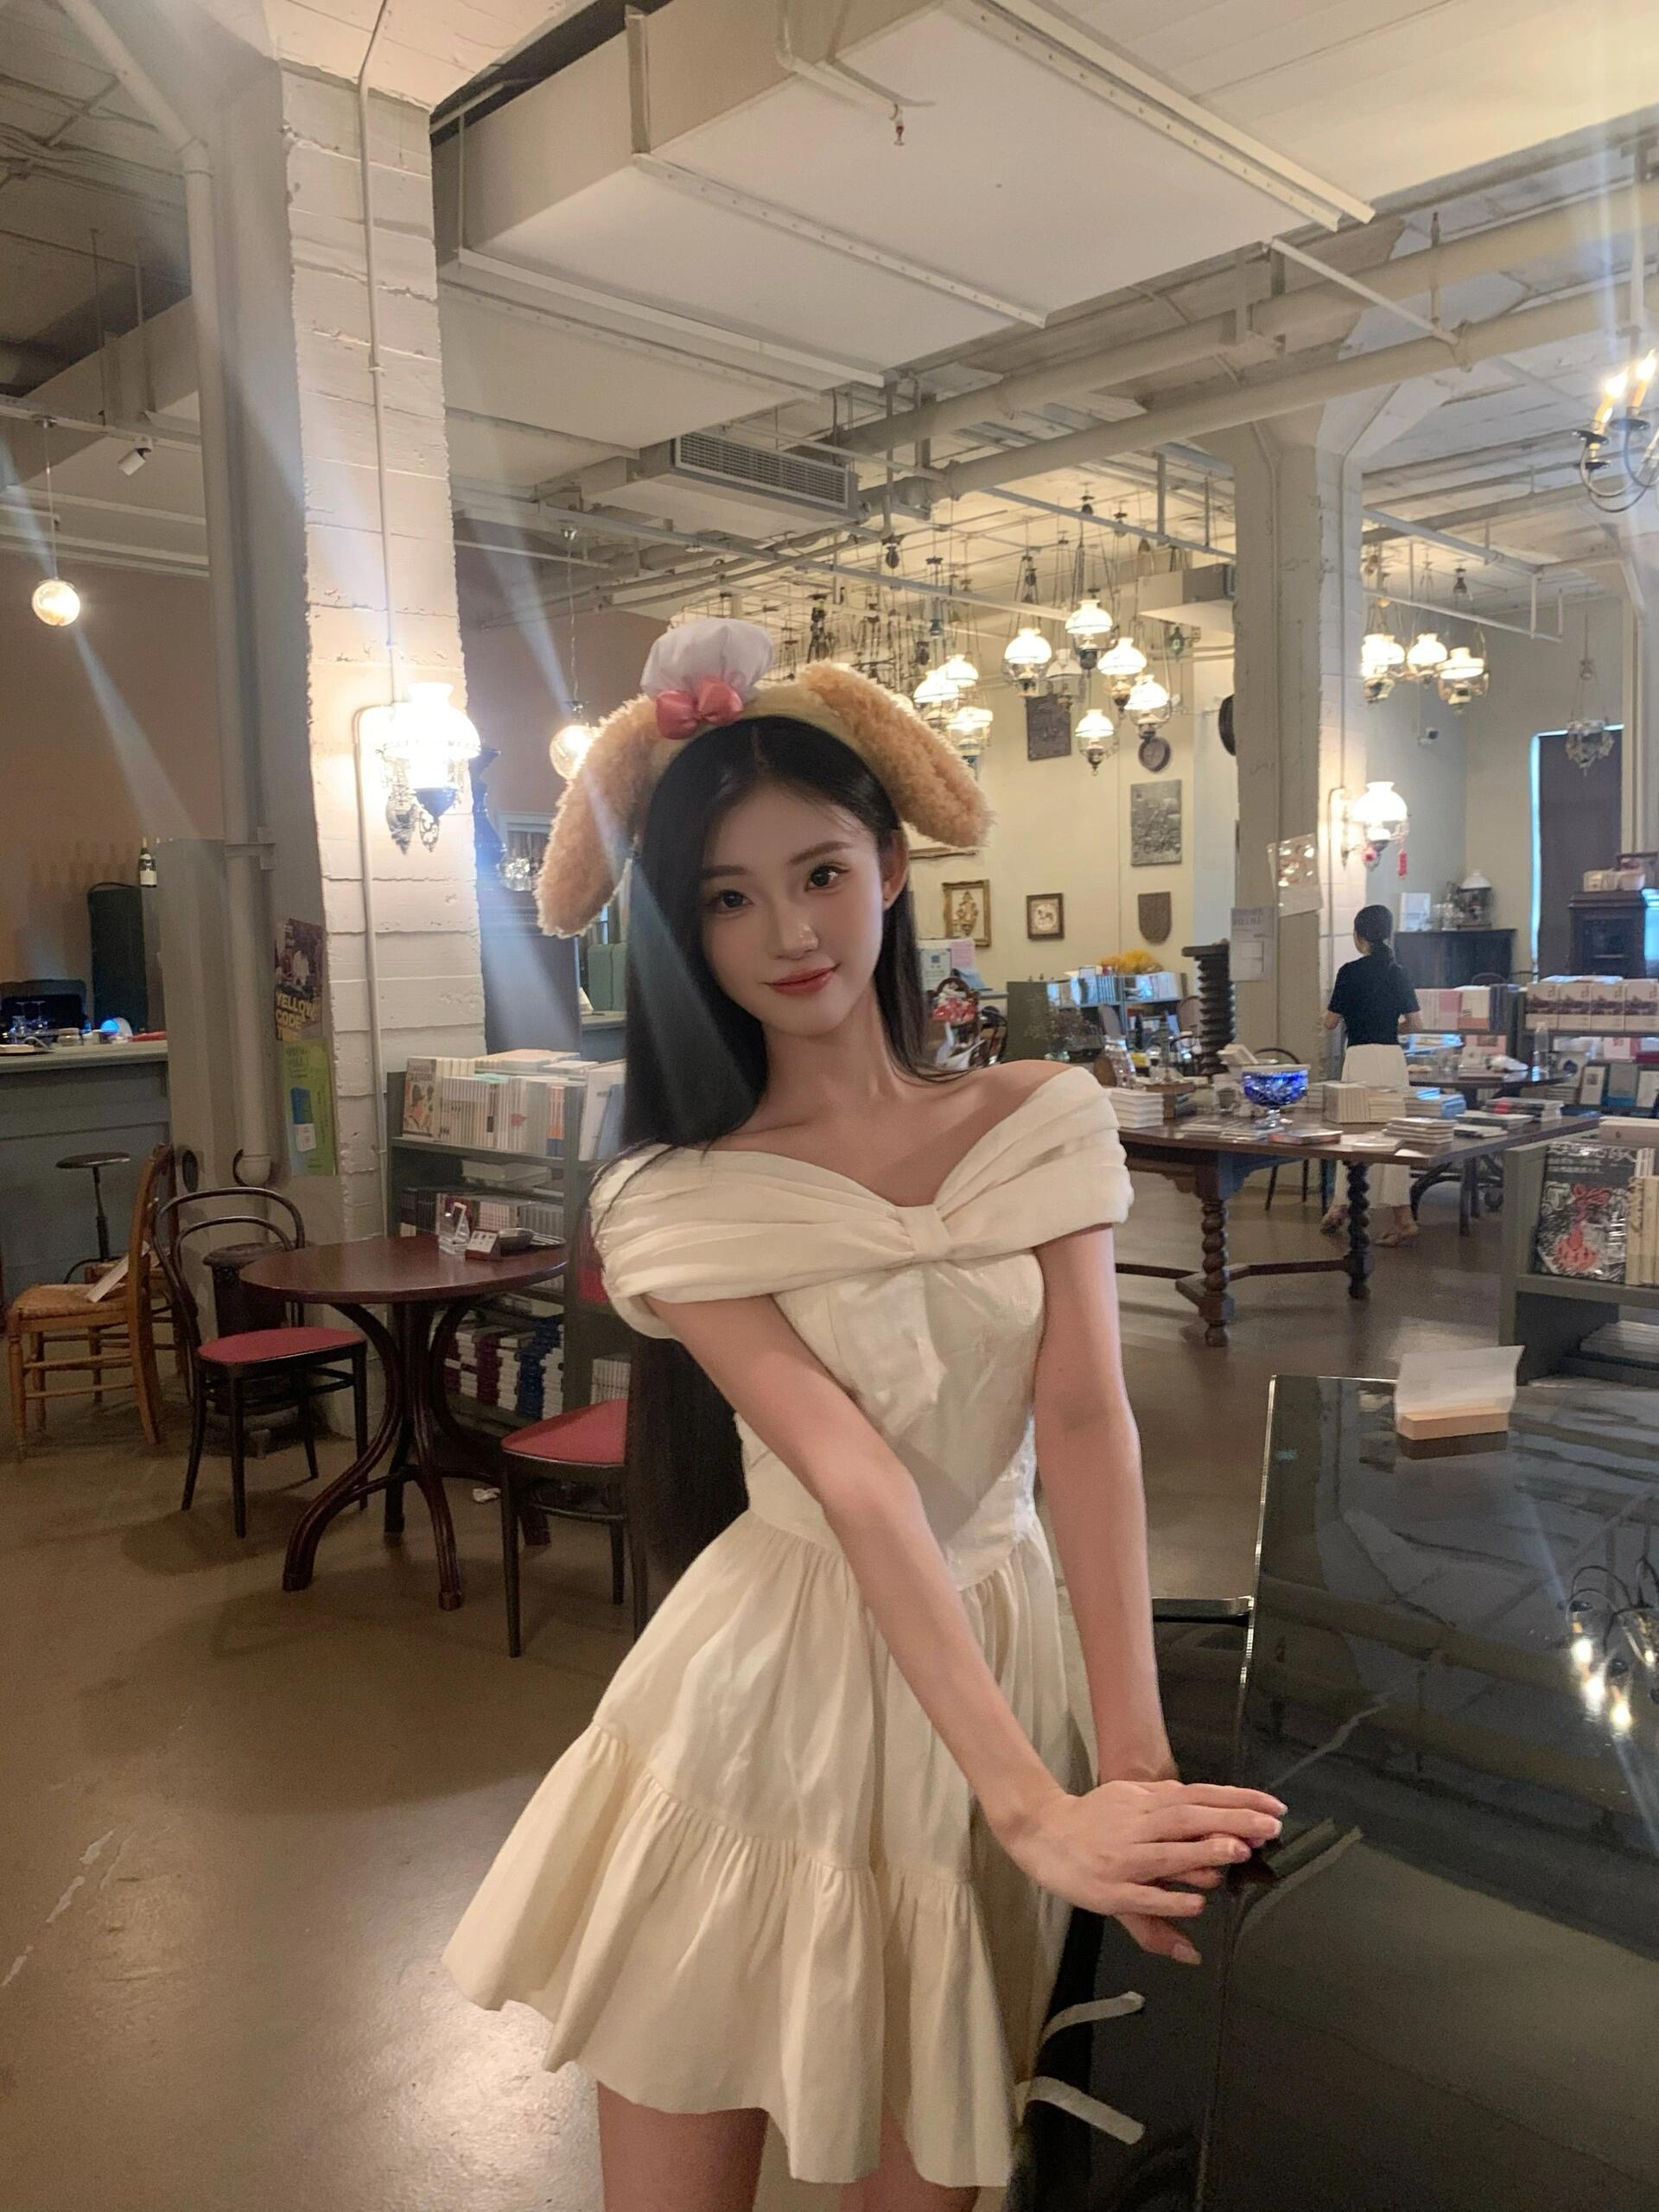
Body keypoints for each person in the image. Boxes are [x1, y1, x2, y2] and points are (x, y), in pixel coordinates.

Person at [443, 620, 1285, 2212]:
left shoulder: (1041, 1117)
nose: (788, 931)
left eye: (820, 872)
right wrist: (1027, 1804)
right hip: (775, 1693)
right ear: (683, 929)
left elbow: (1086, 1425)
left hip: (1005, 1656)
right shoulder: (677, 1196)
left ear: (892, 867)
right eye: (727, 897)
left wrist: (1128, 1766)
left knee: (937, 2145)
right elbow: (854, 1480)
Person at [1322, 903, 1423, 1248]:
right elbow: (1416, 1024)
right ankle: (1403, 1218)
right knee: (1394, 1138)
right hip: (1392, 1060)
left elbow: (1330, 1022)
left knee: (1351, 1135)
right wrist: (1391, 1025)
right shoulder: (1399, 971)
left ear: (1358, 936)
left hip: (1360, 1059)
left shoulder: (1349, 972)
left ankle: (1340, 1206)